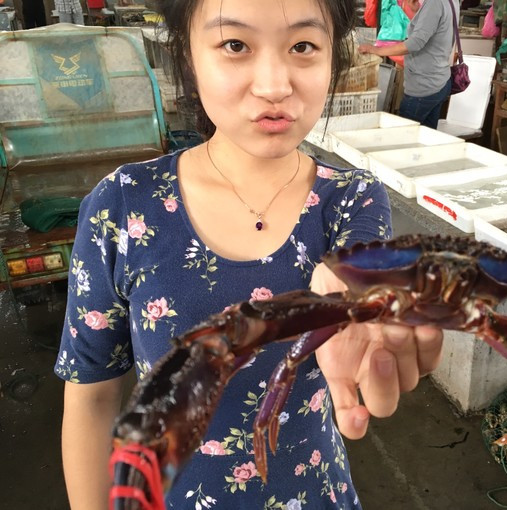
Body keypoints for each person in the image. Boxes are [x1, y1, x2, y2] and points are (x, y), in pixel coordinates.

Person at [54, 0, 444, 509]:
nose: (275, 85)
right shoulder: (123, 204)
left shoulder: (352, 199)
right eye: (235, 44)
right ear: (188, 55)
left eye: (303, 45)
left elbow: (360, 268)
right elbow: (91, 395)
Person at [359, 0, 454, 129]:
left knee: (404, 134)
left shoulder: (434, 3)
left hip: (424, 86)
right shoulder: (451, 1)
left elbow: (415, 43)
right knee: (426, 135)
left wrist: (376, 50)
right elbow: (433, 30)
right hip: (439, 81)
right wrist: (414, 12)